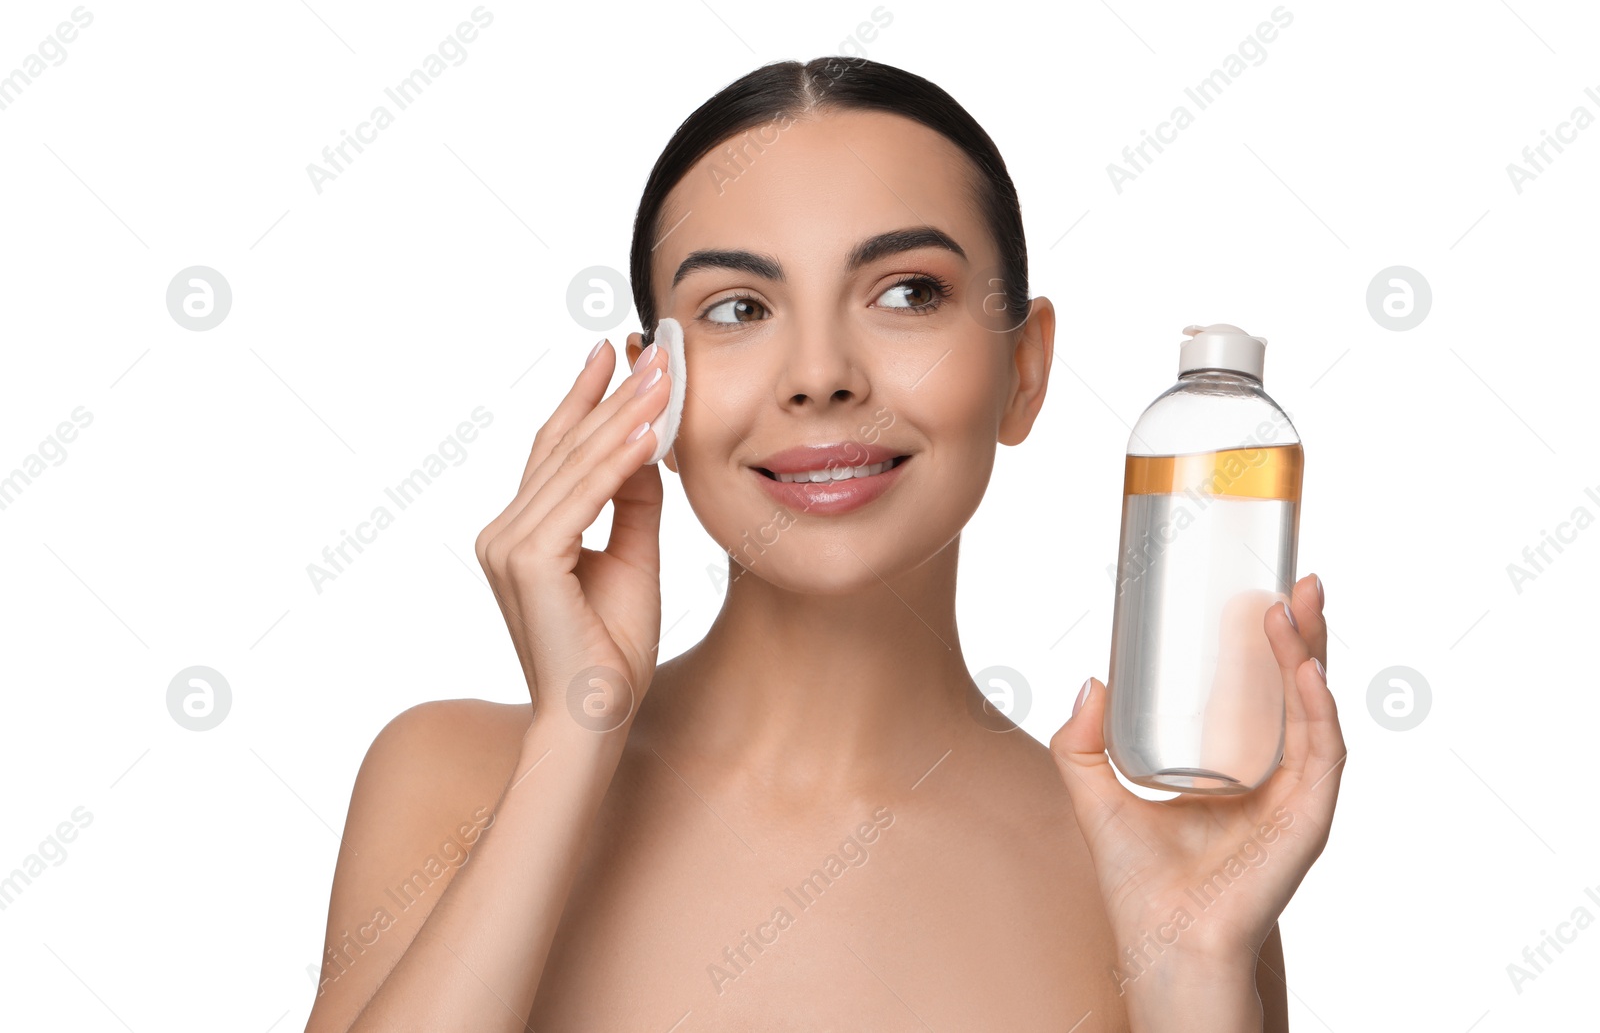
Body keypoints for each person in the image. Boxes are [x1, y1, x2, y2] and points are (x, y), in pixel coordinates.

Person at [302, 56, 1344, 1033]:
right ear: (647, 397)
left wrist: (1195, 977)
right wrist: (573, 744)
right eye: (739, 307)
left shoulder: (1166, 876)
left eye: (906, 292)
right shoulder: (452, 778)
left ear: (1024, 368)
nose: (819, 373)